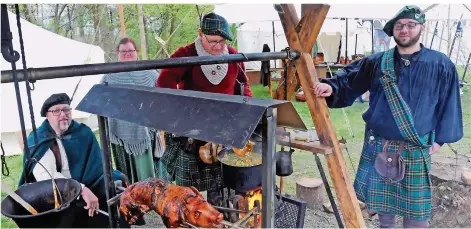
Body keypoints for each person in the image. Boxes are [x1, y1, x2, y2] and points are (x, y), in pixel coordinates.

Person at [313, 5, 463, 228]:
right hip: (380, 146)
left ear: (422, 27)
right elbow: (350, 79)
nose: (404, 30)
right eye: (399, 26)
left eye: (410, 25)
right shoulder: (376, 62)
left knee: (417, 219)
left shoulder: (441, 64)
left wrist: (440, 140)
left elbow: (449, 103)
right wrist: (332, 88)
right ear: (393, 31)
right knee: (385, 214)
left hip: (415, 148)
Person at [156, 13, 253, 194]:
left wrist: (248, 111)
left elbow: (244, 85)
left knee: (224, 182)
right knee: (191, 190)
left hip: (225, 128)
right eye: (213, 41)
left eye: (222, 42)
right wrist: (180, 111)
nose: (218, 46)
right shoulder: (186, 54)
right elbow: (164, 83)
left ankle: (222, 212)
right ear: (201, 34)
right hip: (193, 130)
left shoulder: (233, 56)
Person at [18, 93, 127, 228]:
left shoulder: (83, 132)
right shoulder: (39, 138)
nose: (63, 114)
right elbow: (47, 179)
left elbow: (98, 165)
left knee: (114, 190)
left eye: (66, 109)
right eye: (57, 111)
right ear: (47, 115)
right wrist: (81, 189)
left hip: (89, 183)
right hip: (55, 195)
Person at [101, 37, 165, 184]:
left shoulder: (150, 73)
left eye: (131, 50)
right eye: (123, 51)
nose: (127, 54)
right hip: (121, 133)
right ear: (118, 53)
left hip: (147, 134)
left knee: (150, 179)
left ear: (137, 52)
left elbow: (163, 98)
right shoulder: (109, 76)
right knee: (128, 176)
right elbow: (102, 101)